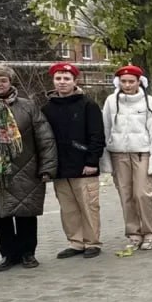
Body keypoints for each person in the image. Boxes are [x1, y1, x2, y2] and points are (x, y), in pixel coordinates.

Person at [0, 63, 58, 271]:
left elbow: (45, 137)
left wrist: (47, 167)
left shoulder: (27, 106)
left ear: (10, 82)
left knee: (25, 213)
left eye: (3, 80)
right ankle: (8, 255)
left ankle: (28, 253)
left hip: (26, 168)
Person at [42, 62, 105, 260]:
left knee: (88, 206)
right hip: (61, 167)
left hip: (84, 165)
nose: (62, 82)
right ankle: (76, 242)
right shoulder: (47, 108)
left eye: (66, 79)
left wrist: (92, 161)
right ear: (53, 81)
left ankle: (92, 242)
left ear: (74, 81)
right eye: (58, 78)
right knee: (68, 208)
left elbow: (97, 135)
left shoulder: (88, 104)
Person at [101, 65, 152, 250]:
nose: (128, 85)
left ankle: (150, 232)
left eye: (131, 81)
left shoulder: (149, 102)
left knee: (142, 194)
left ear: (139, 82)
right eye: (124, 81)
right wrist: (105, 160)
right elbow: (105, 129)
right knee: (126, 195)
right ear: (118, 82)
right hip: (119, 154)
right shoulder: (111, 101)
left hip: (141, 154)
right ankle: (133, 233)